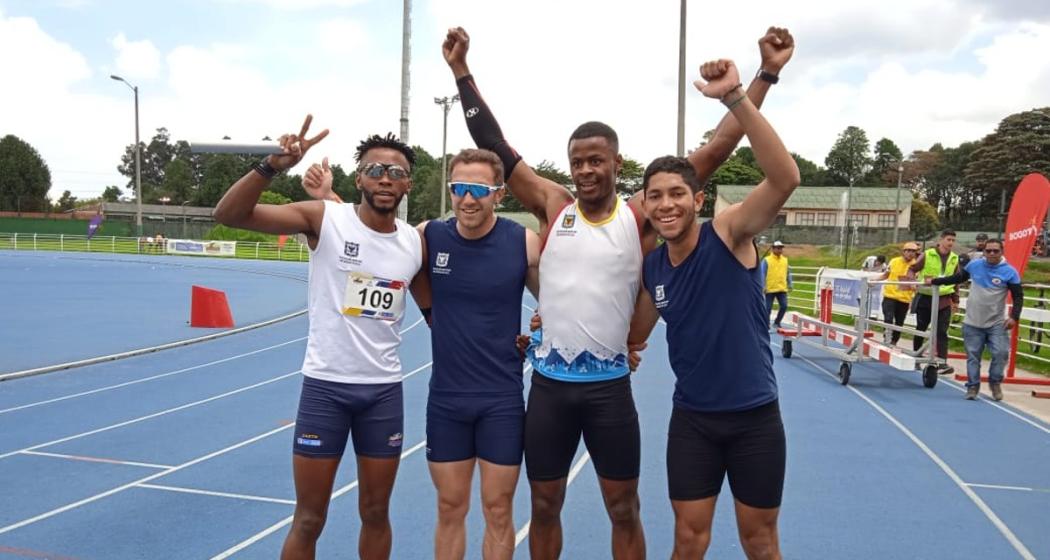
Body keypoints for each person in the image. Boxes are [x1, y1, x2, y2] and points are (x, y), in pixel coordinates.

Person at [443, 24, 795, 559]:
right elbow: (494, 143)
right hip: (549, 388)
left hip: (609, 390)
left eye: (596, 160)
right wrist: (462, 73)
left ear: (615, 163)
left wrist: (763, 77)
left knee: (624, 508)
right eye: (577, 160)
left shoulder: (642, 214)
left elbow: (719, 148)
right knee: (543, 505)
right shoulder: (553, 204)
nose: (585, 169)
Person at [304, 148, 541, 559]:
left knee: (498, 509)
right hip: (447, 400)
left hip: (501, 399)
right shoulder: (429, 235)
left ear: (499, 194)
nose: (467, 199)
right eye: (458, 188)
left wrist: (568, 334)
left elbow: (563, 299)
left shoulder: (523, 242)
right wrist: (331, 199)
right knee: (450, 508)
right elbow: (374, 237)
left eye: (478, 190)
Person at [214, 117, 428, 560]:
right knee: (310, 517)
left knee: (375, 511)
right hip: (326, 390)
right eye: (375, 170)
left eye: (396, 172)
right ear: (358, 177)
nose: (385, 179)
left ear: (408, 183)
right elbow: (228, 215)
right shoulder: (323, 218)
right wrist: (272, 166)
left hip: (383, 393)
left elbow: (439, 310)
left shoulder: (414, 242)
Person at [627, 58, 800, 560]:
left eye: (677, 193)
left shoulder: (728, 234)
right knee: (688, 539)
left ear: (697, 200)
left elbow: (784, 177)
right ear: (645, 205)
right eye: (655, 196)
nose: (666, 204)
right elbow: (632, 333)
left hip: (754, 420)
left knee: (760, 541)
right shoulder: (653, 268)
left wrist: (736, 98)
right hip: (693, 422)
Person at [928, 238, 1023, 401]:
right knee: (973, 356)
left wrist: (1014, 317)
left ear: (1002, 252)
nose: (992, 254)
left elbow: (1018, 297)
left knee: (1000, 354)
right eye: (988, 251)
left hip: (996, 323)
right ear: (984, 252)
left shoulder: (1010, 272)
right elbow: (957, 278)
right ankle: (972, 386)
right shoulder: (974, 265)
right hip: (973, 322)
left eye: (995, 251)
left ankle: (995, 382)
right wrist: (936, 281)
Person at [908, 230, 960, 374]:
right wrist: (912, 281)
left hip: (944, 299)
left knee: (942, 331)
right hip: (926, 297)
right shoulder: (928, 254)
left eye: (953, 240)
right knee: (921, 329)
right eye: (949, 239)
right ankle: (917, 358)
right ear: (941, 239)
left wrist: (956, 300)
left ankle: (942, 362)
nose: (951, 243)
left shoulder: (954, 258)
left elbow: (957, 280)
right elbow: (912, 269)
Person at [876, 243, 919, 346]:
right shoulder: (894, 261)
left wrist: (915, 288)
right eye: (908, 251)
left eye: (913, 251)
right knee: (888, 318)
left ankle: (894, 342)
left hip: (904, 299)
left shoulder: (917, 265)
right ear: (903, 251)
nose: (910, 253)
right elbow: (886, 275)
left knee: (899, 323)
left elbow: (917, 283)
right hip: (890, 296)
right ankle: (887, 339)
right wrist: (874, 281)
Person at [761, 240, 792, 329]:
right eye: (778, 248)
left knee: (784, 306)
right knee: (768, 308)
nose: (780, 250)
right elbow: (762, 273)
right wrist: (763, 285)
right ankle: (766, 324)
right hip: (769, 289)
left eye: (781, 248)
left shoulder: (785, 260)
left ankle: (777, 322)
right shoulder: (766, 260)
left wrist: (790, 283)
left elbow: (788, 272)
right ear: (773, 249)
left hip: (781, 288)